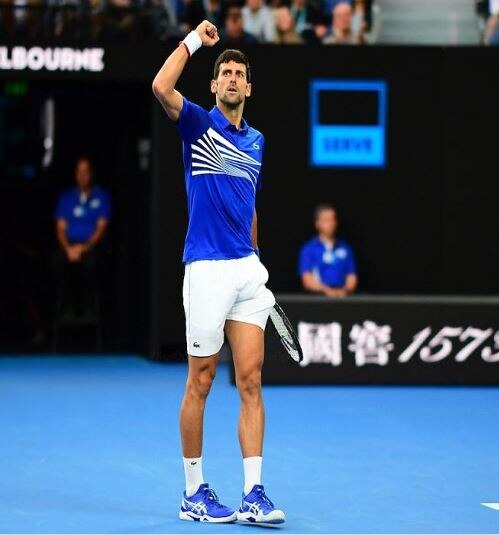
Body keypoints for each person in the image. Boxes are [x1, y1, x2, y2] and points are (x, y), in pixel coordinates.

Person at [151, 21, 284, 524]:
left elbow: (248, 202)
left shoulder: (257, 142)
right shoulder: (197, 126)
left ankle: (254, 492)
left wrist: (255, 254)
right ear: (214, 85)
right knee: (200, 381)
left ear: (248, 87)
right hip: (205, 270)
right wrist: (191, 43)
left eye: (239, 73)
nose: (231, 78)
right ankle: (193, 492)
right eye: (224, 72)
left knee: (250, 380)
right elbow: (161, 87)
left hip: (247, 272)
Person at [55, 156, 111, 267]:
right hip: (69, 245)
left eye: (85, 171)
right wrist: (68, 249)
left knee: (93, 261)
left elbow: (101, 229)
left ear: (91, 174)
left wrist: (84, 248)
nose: (82, 176)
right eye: (79, 172)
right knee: (57, 260)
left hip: (91, 246)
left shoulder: (101, 196)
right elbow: (60, 228)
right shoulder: (66, 197)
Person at [298, 203, 358, 297]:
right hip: (319, 299)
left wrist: (342, 291)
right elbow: (307, 281)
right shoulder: (309, 249)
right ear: (317, 223)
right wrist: (327, 291)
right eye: (326, 220)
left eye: (333, 219)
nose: (331, 223)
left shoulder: (345, 248)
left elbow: (352, 278)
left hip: (343, 298)